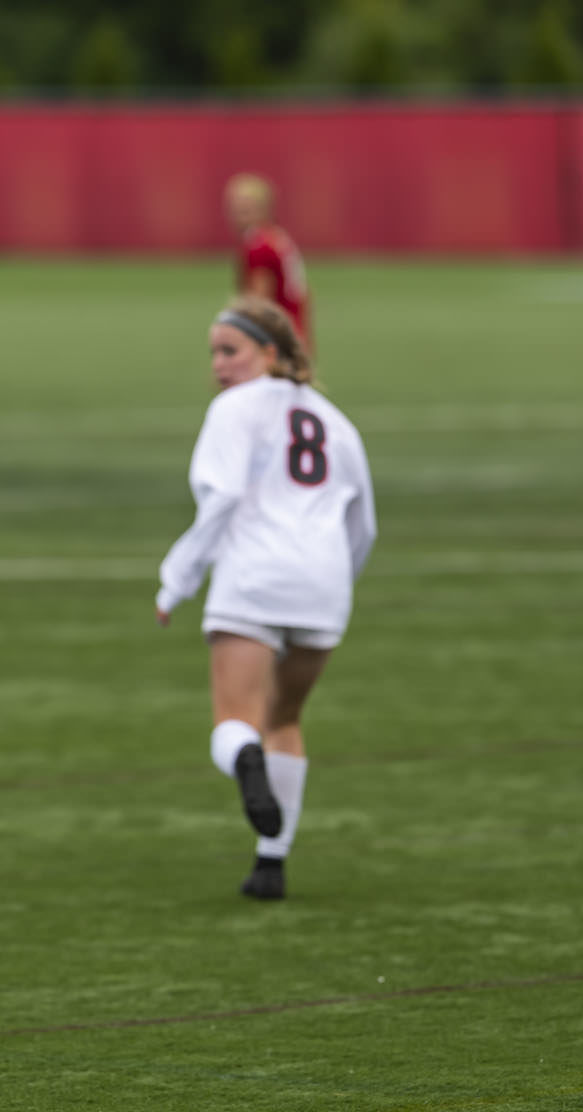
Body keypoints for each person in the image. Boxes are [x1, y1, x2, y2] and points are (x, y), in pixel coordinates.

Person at [155, 298, 374, 902]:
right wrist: (338, 583)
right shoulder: (337, 422)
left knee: (236, 723)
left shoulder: (233, 409)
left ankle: (246, 761)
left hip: (254, 576)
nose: (219, 366)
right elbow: (365, 524)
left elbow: (221, 498)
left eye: (230, 350)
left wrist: (177, 578)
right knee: (286, 717)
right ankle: (271, 862)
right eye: (214, 353)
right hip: (324, 584)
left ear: (271, 353)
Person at [226, 173, 312, 356]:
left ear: (264, 210)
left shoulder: (258, 246)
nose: (238, 217)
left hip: (273, 342)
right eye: (236, 210)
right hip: (292, 333)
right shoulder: (278, 238)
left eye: (246, 211)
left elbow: (259, 303)